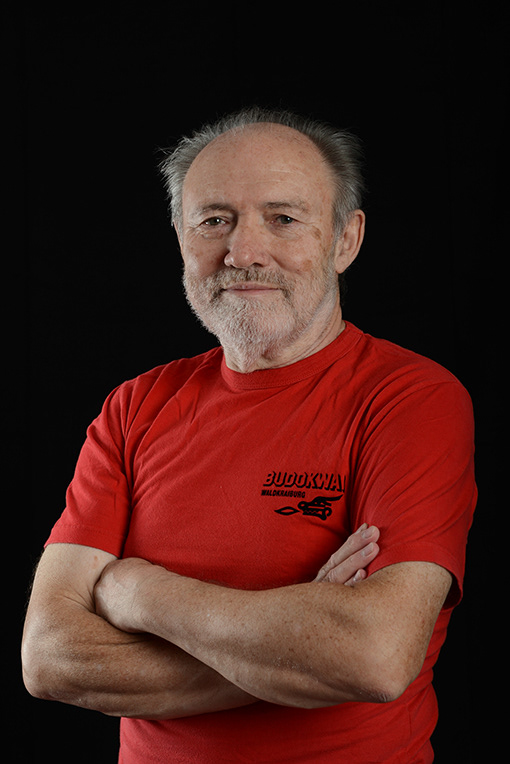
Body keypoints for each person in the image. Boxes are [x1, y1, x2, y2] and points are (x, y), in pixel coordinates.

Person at [22, 107, 476, 763]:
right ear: (181, 238)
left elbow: (374, 657)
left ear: (345, 240)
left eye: (283, 219)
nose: (243, 253)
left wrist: (141, 593)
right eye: (214, 221)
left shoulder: (411, 399)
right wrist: (300, 651)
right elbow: (51, 658)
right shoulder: (134, 408)